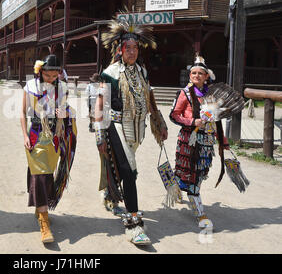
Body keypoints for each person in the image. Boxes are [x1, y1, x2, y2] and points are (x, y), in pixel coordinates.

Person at [94, 16, 168, 245]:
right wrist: (99, 135)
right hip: (116, 126)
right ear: (120, 49)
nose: (132, 52)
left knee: (128, 168)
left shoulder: (142, 72)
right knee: (128, 170)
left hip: (138, 130)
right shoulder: (111, 73)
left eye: (136, 47)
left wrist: (159, 122)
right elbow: (100, 105)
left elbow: (149, 97)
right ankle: (134, 224)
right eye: (128, 48)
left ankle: (111, 193)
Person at [20, 54, 77, 244]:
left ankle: (40, 208)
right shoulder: (31, 87)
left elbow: (68, 110)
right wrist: (25, 135)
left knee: (48, 174)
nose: (52, 79)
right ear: (40, 72)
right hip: (36, 134)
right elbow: (22, 112)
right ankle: (44, 223)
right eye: (48, 76)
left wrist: (65, 112)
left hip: (55, 136)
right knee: (40, 174)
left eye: (55, 76)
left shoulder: (62, 87)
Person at [169, 54, 229, 230]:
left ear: (206, 76)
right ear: (190, 76)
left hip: (207, 143)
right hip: (189, 140)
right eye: (193, 73)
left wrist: (223, 141)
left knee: (200, 172)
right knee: (191, 173)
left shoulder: (212, 96)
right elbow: (174, 114)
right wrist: (192, 122)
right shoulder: (184, 93)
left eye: (200, 73)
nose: (196, 76)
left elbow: (216, 121)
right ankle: (200, 212)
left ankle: (178, 187)